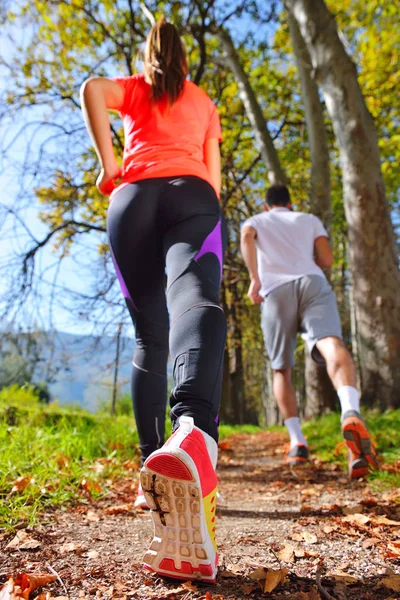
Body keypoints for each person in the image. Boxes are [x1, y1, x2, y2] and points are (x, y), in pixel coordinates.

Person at [80, 17, 226, 583]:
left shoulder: (136, 89)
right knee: (194, 296)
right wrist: (201, 205)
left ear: (147, 54)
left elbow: (93, 89)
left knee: (148, 337)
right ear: (185, 59)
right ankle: (191, 428)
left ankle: (150, 472)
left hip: (132, 198)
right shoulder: (203, 100)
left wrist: (109, 164)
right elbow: (212, 175)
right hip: (191, 194)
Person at [240, 184, 379, 480]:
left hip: (275, 290)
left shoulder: (256, 221)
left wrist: (255, 279)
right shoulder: (309, 219)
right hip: (313, 282)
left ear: (267, 206)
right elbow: (327, 260)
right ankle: (350, 411)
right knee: (330, 342)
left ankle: (297, 443)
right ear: (290, 203)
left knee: (282, 368)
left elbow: (246, 237)